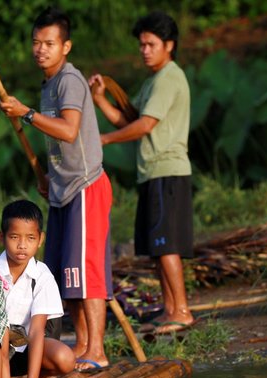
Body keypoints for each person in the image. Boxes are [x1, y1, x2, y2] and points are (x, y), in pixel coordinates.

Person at [0, 7, 113, 371]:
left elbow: (68, 130)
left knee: (86, 270)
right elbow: (58, 144)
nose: (41, 49)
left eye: (49, 43)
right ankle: (82, 345)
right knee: (66, 272)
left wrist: (26, 113)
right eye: (36, 42)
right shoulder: (49, 83)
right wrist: (46, 175)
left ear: (66, 46)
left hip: (86, 185)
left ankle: (96, 348)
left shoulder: (69, 80)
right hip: (63, 187)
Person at [89, 11, 196, 335]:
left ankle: (182, 311)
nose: (145, 50)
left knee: (167, 246)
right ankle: (169, 310)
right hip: (151, 173)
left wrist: (105, 139)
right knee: (155, 247)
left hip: (167, 170)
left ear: (169, 45)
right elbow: (129, 119)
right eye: (142, 45)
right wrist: (99, 99)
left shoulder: (170, 77)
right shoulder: (152, 81)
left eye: (151, 44)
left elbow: (145, 125)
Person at [0, 200, 75, 378]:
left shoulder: (42, 275)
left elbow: (37, 331)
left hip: (29, 350)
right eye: (14, 237)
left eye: (30, 238)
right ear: (2, 237)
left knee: (65, 359)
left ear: (40, 239)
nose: (22, 245)